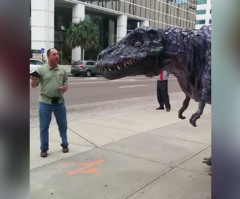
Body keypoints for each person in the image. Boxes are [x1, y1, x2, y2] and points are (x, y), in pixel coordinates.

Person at [30, 48, 69, 158]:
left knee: (63, 125)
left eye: (57, 54)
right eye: (54, 54)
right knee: (43, 127)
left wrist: (65, 88)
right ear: (48, 57)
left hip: (59, 102)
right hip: (45, 103)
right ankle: (44, 149)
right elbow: (33, 86)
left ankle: (65, 144)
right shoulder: (41, 70)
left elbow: (66, 82)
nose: (57, 56)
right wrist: (33, 81)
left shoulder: (62, 70)